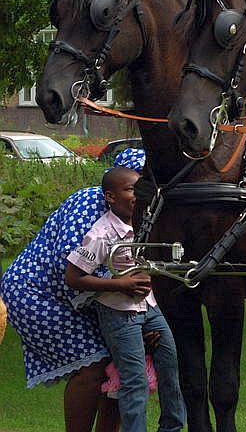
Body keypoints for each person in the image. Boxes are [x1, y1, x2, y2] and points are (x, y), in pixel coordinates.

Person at [0, 148, 146, 432]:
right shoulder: (87, 203)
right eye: (136, 185)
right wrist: (120, 291)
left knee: (117, 361)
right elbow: (67, 267)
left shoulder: (137, 208)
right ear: (114, 188)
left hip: (85, 296)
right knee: (90, 366)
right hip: (35, 292)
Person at [65, 166, 186, 432]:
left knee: (170, 366)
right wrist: (120, 284)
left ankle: (172, 427)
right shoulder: (101, 234)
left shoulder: (146, 223)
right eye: (130, 189)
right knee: (135, 381)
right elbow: (73, 277)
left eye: (138, 189)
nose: (136, 195)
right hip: (119, 312)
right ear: (110, 197)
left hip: (149, 307)